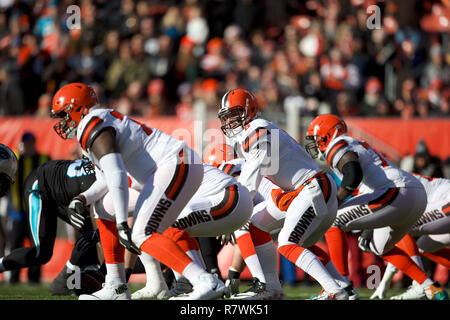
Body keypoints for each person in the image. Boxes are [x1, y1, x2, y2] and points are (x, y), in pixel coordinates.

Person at [50, 82, 224, 300]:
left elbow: (117, 175)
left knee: (142, 233)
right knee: (104, 206)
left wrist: (123, 222)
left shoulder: (91, 124)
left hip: (176, 164)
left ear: (78, 108)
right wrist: (81, 198)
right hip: (170, 168)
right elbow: (105, 180)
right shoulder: (98, 121)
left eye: (64, 114)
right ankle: (116, 286)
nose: (63, 122)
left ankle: (204, 280)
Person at [218, 89, 351, 300]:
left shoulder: (257, 129)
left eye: (233, 114)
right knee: (255, 226)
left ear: (248, 111)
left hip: (312, 188)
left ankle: (335, 291)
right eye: (226, 117)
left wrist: (231, 211)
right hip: (301, 191)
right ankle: (272, 288)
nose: (229, 121)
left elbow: (252, 178)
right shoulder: (254, 133)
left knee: (288, 243)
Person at [305, 113, 448, 300]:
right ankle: (429, 287)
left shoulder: (337, 145)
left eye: (317, 139)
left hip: (398, 192)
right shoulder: (354, 143)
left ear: (328, 134)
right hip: (413, 196)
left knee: (332, 218)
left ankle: (342, 286)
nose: (315, 144)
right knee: (380, 247)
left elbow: (353, 174)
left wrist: (334, 202)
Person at [96, 160, 253, 300]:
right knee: (154, 221)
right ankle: (176, 283)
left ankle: (194, 283)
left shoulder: (152, 168)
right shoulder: (158, 163)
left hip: (229, 200)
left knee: (161, 222)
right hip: (226, 201)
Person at [0, 158, 102, 295]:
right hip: (40, 185)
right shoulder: (100, 183)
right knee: (41, 253)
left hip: (65, 191)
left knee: (93, 236)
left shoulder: (104, 173)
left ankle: (74, 283)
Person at [370, 172, 450, 300]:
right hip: (442, 203)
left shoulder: (380, 180)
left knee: (399, 224)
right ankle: (421, 284)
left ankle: (421, 284)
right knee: (422, 247)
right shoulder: (383, 175)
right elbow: (401, 247)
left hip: (446, 201)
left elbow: (398, 231)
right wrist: (384, 283)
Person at [7, 132, 50, 284]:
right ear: (22, 145)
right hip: (17, 213)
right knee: (15, 246)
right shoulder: (15, 159)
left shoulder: (43, 159)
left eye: (31, 142)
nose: (29, 146)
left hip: (37, 212)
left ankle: (34, 278)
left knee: (36, 247)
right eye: (26, 143)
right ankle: (13, 278)